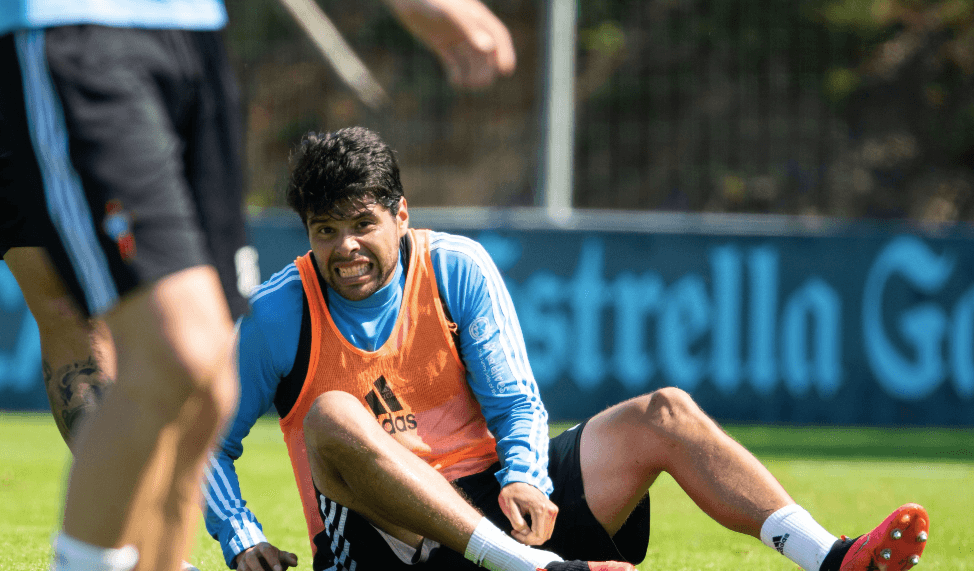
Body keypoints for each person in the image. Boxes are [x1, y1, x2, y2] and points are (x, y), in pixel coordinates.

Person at [205, 126, 931, 571]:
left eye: (361, 224)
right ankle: (527, 568)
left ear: (401, 213)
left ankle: (834, 557)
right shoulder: (279, 311)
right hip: (387, 544)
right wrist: (240, 536)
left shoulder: (456, 267)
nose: (345, 247)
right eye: (324, 229)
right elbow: (203, 441)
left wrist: (526, 477)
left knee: (666, 411)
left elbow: (517, 400)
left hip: (501, 512)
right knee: (331, 414)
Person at [0, 1, 517, 570]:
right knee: (175, 354)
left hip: (194, 38)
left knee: (207, 388)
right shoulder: (288, 303)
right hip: (83, 33)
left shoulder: (456, 264)